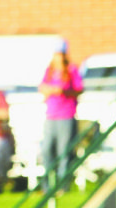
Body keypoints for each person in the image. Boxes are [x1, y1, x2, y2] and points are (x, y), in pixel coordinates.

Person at [39, 39, 83, 188]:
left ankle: (63, 185)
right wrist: (49, 90)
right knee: (47, 150)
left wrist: (63, 91)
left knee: (64, 151)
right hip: (51, 116)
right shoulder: (49, 71)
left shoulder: (71, 70)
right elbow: (42, 87)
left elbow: (79, 89)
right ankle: (47, 185)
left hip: (66, 115)